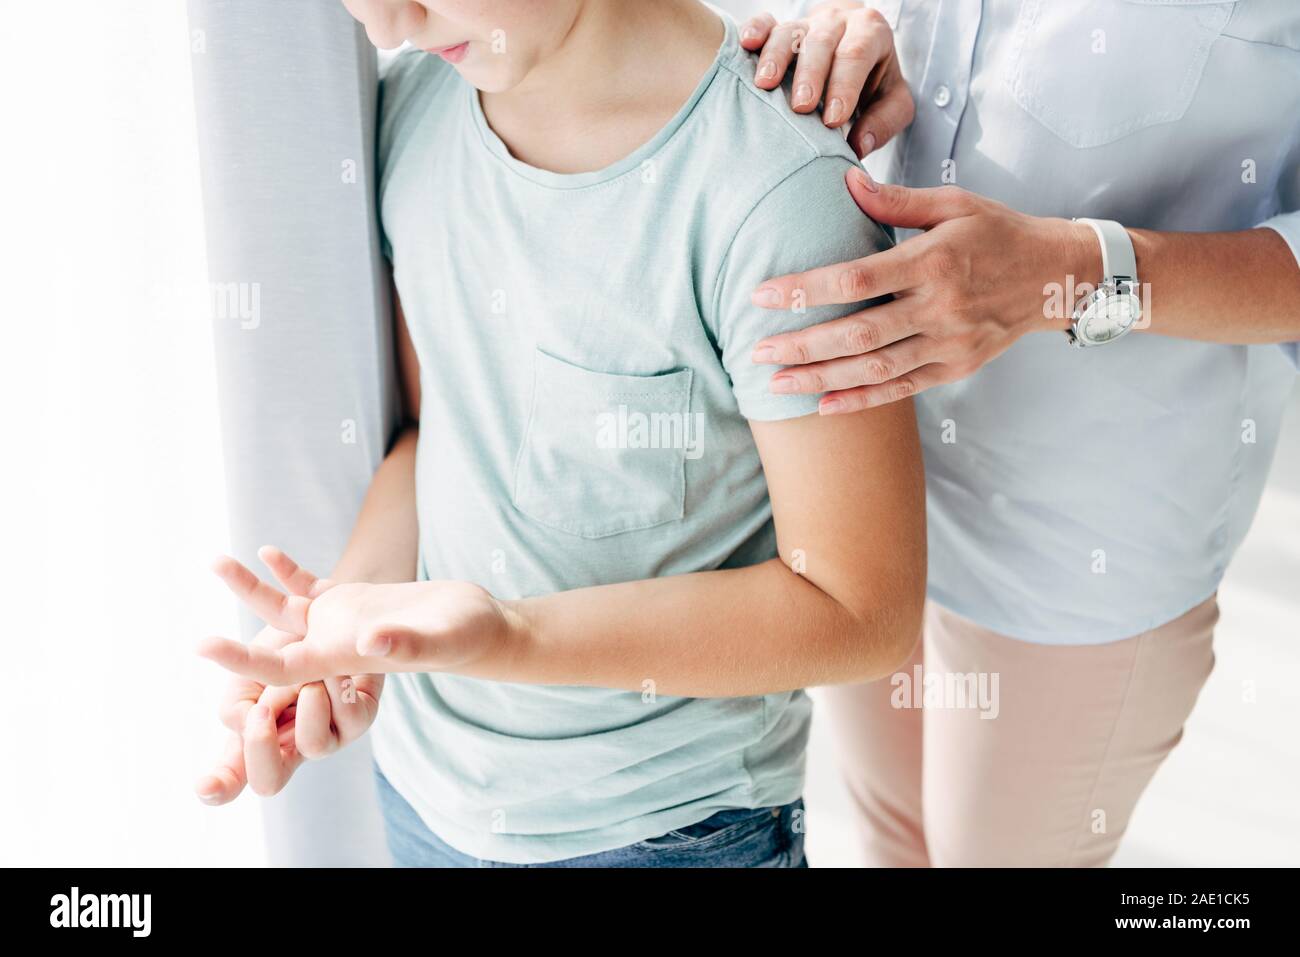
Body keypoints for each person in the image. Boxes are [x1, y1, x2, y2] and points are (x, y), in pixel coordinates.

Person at [194, 0, 926, 868]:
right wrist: (345, 631)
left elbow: (862, 611)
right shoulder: (417, 107)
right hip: (424, 803)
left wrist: (513, 636)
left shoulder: (780, 192)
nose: (388, 25)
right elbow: (439, 430)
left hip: (676, 833)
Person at [739, 0, 1300, 866]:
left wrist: (1075, 275)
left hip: (1082, 547)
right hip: (870, 480)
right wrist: (851, 31)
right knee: (898, 845)